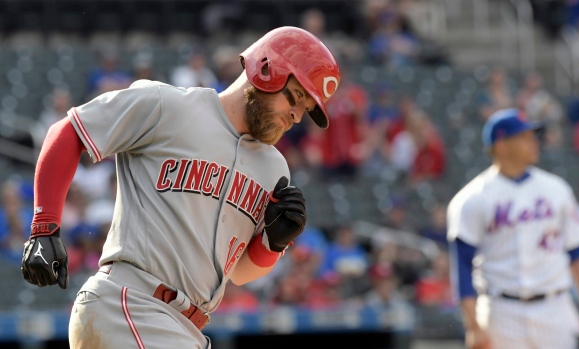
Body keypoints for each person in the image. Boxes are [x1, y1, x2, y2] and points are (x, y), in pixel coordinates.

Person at [20, 26, 340, 349]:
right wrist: (44, 226)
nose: (297, 116)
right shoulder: (168, 106)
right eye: (296, 97)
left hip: (186, 329)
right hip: (130, 305)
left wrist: (271, 245)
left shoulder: (274, 169)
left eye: (306, 110)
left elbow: (240, 274)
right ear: (267, 68)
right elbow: (69, 132)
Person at [447, 108, 579, 349]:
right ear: (501, 145)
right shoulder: (471, 199)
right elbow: (462, 267)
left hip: (556, 307)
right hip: (501, 310)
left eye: (533, 136)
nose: (534, 142)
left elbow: (578, 253)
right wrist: (473, 325)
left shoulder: (557, 189)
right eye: (524, 137)